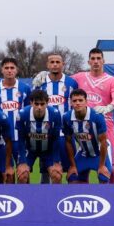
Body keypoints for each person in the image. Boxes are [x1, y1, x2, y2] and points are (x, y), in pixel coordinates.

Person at [37, 48, 114, 183]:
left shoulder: (112, 80)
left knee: (110, 171)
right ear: (88, 61)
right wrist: (44, 74)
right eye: (93, 59)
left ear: (103, 61)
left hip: (105, 126)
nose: (95, 62)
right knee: (80, 171)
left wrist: (109, 107)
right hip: (82, 128)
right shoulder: (80, 77)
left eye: (98, 58)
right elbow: (59, 76)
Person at [30, 52, 78, 182]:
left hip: (66, 136)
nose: (55, 65)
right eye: (52, 62)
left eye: (58, 62)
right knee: (46, 171)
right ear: (47, 65)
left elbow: (76, 106)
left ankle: (69, 198)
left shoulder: (71, 83)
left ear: (63, 64)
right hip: (46, 135)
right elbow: (33, 107)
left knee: (71, 171)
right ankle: (45, 200)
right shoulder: (40, 83)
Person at [0, 57, 30, 183]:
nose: (9, 71)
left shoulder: (25, 88)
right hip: (1, 139)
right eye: (6, 68)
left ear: (16, 70)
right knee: (4, 175)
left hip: (20, 139)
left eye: (12, 68)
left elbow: (29, 112)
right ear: (2, 70)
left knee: (23, 174)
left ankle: (26, 200)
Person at [63, 89, 114, 184]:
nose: (77, 103)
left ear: (86, 102)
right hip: (84, 152)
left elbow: (103, 142)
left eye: (80, 100)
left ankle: (102, 198)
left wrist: (102, 165)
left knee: (103, 177)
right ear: (71, 102)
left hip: (100, 153)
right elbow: (68, 141)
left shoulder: (97, 116)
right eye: (74, 101)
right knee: (72, 177)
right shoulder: (66, 117)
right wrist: (73, 165)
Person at [16, 90, 64, 184]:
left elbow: (56, 140)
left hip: (48, 150)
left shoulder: (55, 114)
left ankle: (56, 198)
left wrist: (56, 162)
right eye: (36, 104)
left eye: (42, 104)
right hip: (29, 150)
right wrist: (22, 162)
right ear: (31, 103)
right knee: (22, 176)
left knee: (57, 175)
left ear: (47, 103)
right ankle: (23, 198)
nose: (39, 107)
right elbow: (21, 140)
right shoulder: (22, 114)